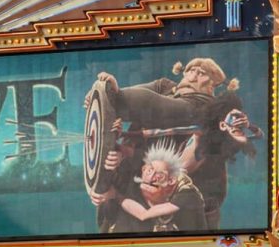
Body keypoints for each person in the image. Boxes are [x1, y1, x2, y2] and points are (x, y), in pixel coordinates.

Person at [87, 57, 263, 228]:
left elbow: (157, 108)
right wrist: (108, 96)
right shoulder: (166, 87)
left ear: (212, 83)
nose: (193, 74)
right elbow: (134, 101)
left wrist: (111, 99)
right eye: (191, 69)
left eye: (201, 73)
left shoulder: (206, 109)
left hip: (179, 212)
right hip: (136, 197)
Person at [109, 141, 207, 233]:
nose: (151, 178)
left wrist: (117, 196)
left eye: (159, 175)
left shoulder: (187, 193)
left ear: (171, 180)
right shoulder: (133, 186)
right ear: (143, 169)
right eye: (149, 171)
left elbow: (143, 214)